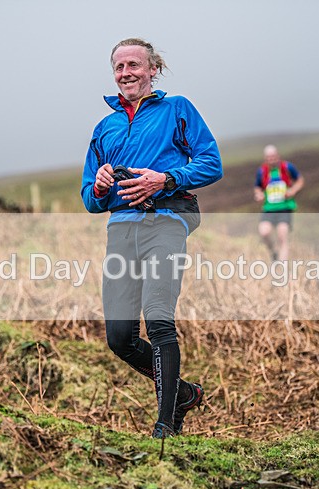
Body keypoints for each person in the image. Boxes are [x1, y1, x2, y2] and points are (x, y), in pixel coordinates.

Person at [81, 38, 222, 439]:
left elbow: (212, 163)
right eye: (119, 67)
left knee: (159, 319)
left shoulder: (177, 109)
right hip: (121, 229)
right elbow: (90, 197)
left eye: (134, 65)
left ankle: (165, 426)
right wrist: (101, 185)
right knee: (120, 338)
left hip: (166, 221)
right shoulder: (103, 127)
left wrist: (167, 178)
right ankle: (183, 394)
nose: (126, 73)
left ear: (153, 68)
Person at [253, 145, 304, 261]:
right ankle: (273, 253)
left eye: (273, 156)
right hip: (269, 208)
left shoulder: (287, 167)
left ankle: (282, 268)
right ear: (265, 158)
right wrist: (259, 194)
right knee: (264, 232)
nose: (271, 159)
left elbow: (300, 180)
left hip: (285, 207)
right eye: (268, 157)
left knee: (282, 236)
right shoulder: (262, 171)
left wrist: (293, 190)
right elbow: (257, 187)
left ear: (278, 156)